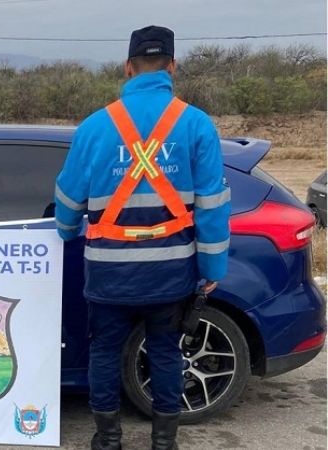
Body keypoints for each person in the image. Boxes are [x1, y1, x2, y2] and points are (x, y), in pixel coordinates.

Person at [54, 25, 231, 450]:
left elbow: (67, 200)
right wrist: (211, 269)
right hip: (170, 272)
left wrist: (64, 231)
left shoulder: (95, 127)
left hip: (109, 274)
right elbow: (212, 206)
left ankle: (108, 440)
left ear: (128, 68)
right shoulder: (196, 125)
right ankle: (164, 444)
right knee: (166, 353)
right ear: (172, 67)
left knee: (103, 354)